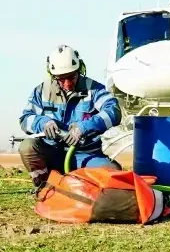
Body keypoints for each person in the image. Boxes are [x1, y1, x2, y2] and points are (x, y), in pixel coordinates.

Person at [18, 44, 123, 190]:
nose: (67, 84)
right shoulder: (41, 91)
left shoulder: (94, 89)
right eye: (61, 79)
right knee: (27, 147)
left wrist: (84, 127)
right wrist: (43, 123)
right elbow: (25, 119)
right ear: (52, 75)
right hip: (52, 153)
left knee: (113, 173)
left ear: (79, 70)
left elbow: (114, 111)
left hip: (84, 155)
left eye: (71, 77)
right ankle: (43, 187)